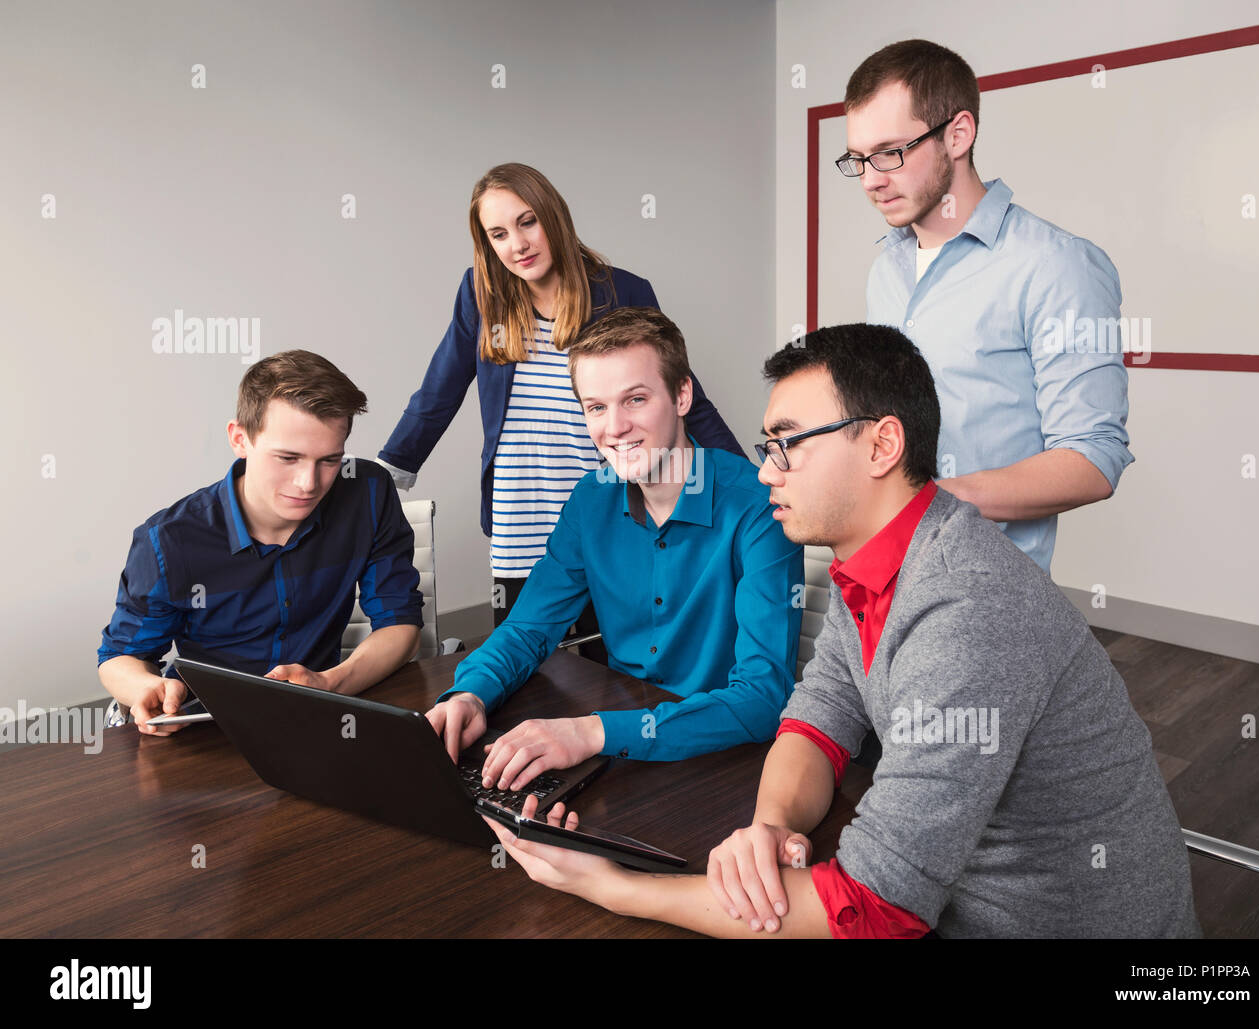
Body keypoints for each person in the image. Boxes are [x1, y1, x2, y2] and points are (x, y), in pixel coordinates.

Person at [484, 323, 1199, 939]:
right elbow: (817, 719)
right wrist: (768, 827)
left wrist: (609, 884)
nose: (766, 471)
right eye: (768, 445)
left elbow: (876, 907)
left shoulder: (964, 608)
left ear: (883, 444)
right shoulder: (880, 562)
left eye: (788, 444)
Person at [426, 308, 803, 793]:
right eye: (596, 407)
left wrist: (591, 731)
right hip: (622, 750)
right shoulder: (590, 501)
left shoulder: (757, 506)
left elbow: (761, 698)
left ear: (682, 395)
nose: (615, 427)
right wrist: (470, 694)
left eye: (636, 399)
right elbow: (526, 629)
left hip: (724, 758)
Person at [377, 163, 742, 636]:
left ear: (555, 217)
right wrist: (387, 476)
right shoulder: (481, 294)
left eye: (528, 222)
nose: (518, 245)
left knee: (612, 661)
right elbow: (439, 389)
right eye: (499, 234)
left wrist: (751, 485)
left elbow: (682, 394)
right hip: (518, 513)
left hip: (606, 506)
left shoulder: (622, 292)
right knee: (525, 662)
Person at [837, 39, 1133, 573]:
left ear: (958, 134)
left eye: (890, 153)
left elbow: (1093, 460)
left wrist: (928, 504)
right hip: (879, 567)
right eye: (857, 159)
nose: (871, 180)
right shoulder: (886, 270)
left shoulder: (1056, 264)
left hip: (982, 591)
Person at [98, 350, 424, 735]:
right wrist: (148, 688)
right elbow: (120, 657)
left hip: (315, 719)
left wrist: (332, 683)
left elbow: (399, 621)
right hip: (207, 728)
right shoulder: (170, 540)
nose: (308, 483)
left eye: (329, 460)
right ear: (240, 439)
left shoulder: (367, 492)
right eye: (288, 458)